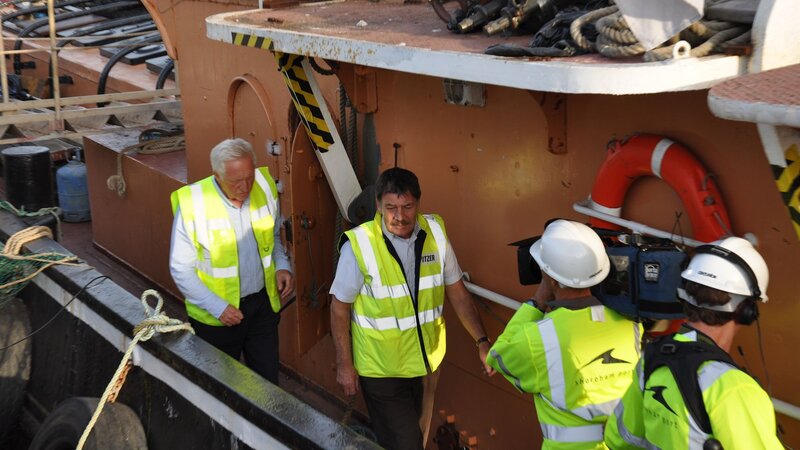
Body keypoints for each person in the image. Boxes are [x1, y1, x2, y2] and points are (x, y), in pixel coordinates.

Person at [330, 167, 494, 450]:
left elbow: (457, 292)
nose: (400, 216)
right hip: (382, 370)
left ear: (418, 203)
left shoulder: (435, 233)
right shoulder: (360, 246)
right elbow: (339, 308)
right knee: (406, 443)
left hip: (426, 364)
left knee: (417, 436)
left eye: (407, 206)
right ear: (378, 205)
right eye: (391, 207)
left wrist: (482, 341)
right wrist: (345, 364)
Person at [604, 237, 782, 449]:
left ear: (684, 295)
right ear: (746, 311)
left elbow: (619, 438)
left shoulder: (651, 360)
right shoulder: (734, 388)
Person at [486, 219, 643, 449]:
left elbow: (498, 356)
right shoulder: (632, 324)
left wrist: (538, 300)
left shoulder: (536, 339)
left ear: (550, 277)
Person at [169, 138, 294, 385]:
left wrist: (282, 265)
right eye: (236, 181)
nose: (245, 186)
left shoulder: (264, 188)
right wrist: (218, 307)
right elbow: (181, 269)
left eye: (249, 177)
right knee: (221, 387)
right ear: (217, 175)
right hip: (217, 317)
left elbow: (272, 238)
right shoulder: (194, 205)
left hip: (262, 307)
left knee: (268, 383)